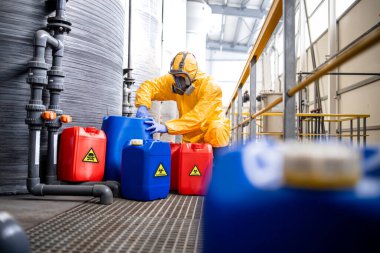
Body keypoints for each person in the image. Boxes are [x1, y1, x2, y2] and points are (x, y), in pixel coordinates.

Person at [135, 51, 230, 158]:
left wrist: (166, 127)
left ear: (192, 76)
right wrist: (143, 105)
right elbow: (149, 86)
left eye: (181, 78)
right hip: (191, 137)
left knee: (217, 128)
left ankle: (220, 165)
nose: (178, 82)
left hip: (213, 138)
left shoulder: (211, 86)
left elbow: (198, 118)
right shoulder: (174, 80)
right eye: (176, 77)